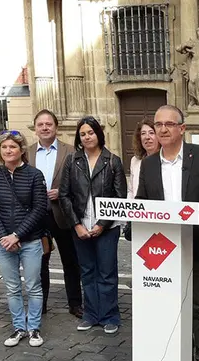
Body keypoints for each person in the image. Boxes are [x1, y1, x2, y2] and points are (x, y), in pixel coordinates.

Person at [136, 105, 199, 361]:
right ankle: (171, 353)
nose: (162, 129)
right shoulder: (149, 164)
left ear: (182, 128)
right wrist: (133, 221)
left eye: (168, 124)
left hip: (198, 243)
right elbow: (142, 200)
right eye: (158, 124)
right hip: (163, 247)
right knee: (167, 301)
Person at [59, 116, 127, 334]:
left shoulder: (113, 160)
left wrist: (102, 225)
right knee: (87, 272)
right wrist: (76, 225)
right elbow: (64, 196)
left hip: (106, 228)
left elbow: (119, 198)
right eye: (83, 134)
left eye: (90, 132)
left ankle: (110, 315)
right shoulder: (72, 161)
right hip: (80, 226)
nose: (87, 137)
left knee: (107, 273)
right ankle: (91, 314)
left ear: (99, 134)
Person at [0, 131, 48, 348]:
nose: (8, 151)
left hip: (30, 240)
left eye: (12, 147)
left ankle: (34, 328)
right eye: (4, 147)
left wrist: (17, 235)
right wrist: (4, 237)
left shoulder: (34, 175)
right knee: (12, 287)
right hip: (4, 243)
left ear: (21, 150)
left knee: (33, 286)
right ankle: (19, 327)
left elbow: (39, 208)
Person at [27, 109, 82, 318]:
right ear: (35, 128)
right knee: (40, 262)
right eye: (40, 124)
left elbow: (80, 181)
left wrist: (62, 192)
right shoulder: (28, 152)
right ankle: (40, 304)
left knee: (71, 261)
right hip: (39, 217)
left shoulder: (71, 151)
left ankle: (75, 303)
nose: (45, 128)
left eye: (48, 124)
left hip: (64, 214)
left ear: (56, 127)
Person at [127, 118, 159, 199]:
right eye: (143, 133)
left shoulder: (166, 160)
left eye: (151, 133)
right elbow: (131, 190)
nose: (147, 137)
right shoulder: (135, 160)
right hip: (139, 209)